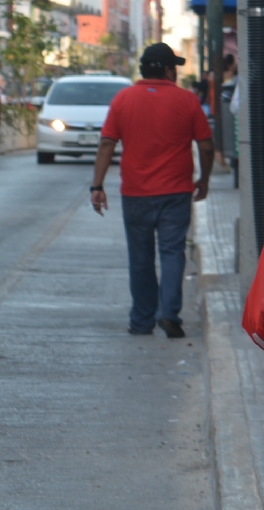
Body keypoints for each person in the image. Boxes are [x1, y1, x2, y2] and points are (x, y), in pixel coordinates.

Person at [90, 43, 212, 338]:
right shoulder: (188, 101)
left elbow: (107, 143)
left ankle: (142, 320)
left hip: (135, 193)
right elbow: (206, 145)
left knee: (140, 257)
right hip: (176, 192)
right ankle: (169, 313)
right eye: (175, 68)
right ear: (168, 70)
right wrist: (204, 179)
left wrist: (97, 185)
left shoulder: (123, 99)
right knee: (172, 252)